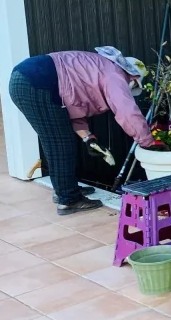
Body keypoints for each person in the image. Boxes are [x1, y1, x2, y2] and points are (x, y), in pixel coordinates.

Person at [9, 46, 162, 215]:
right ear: (133, 77)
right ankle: (68, 200)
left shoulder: (97, 67)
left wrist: (89, 138)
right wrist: (149, 143)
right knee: (59, 143)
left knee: (57, 140)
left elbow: (71, 108)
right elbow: (127, 112)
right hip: (37, 81)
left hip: (28, 79)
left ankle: (65, 190)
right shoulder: (115, 75)